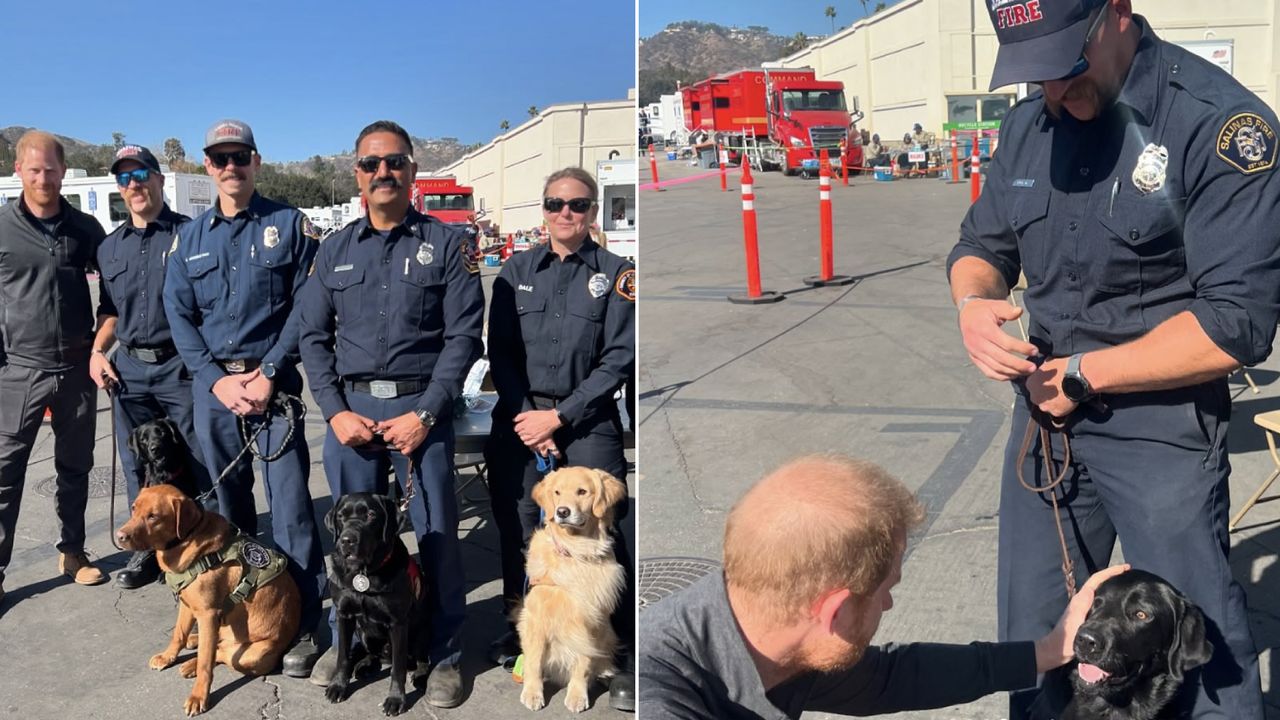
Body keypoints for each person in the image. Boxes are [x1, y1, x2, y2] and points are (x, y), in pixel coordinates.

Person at [946, 1, 1280, 718]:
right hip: (1046, 423)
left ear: (1117, 13)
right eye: (1033, 74)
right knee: (1035, 628)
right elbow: (982, 246)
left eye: (1066, 65)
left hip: (1161, 425)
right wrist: (972, 304)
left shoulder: (1219, 126)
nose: (1053, 93)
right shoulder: (1027, 124)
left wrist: (1082, 374)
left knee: (1197, 638)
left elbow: (1236, 324)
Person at [639, 455, 1129, 719]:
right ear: (832, 613)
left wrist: (1046, 651)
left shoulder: (764, 624)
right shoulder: (661, 693)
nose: (890, 602)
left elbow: (894, 677)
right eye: (885, 589)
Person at [298, 120, 483, 707]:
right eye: (372, 164)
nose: (384, 173)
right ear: (357, 173)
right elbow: (311, 338)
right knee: (349, 539)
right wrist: (333, 411)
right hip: (351, 414)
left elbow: (464, 337)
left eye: (395, 163)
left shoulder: (448, 246)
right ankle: (345, 643)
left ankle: (448, 653)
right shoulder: (334, 250)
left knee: (434, 536)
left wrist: (427, 414)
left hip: (418, 410)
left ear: (412, 171)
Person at [163, 119, 325, 677]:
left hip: (273, 389)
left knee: (292, 510)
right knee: (226, 516)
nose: (230, 166)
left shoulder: (290, 224)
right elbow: (179, 317)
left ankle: (304, 622)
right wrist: (216, 380)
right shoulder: (190, 239)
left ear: (255, 161)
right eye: (219, 158)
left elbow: (307, 308)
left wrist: (270, 371)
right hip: (215, 392)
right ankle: (238, 614)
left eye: (240, 156)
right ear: (207, 167)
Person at [485, 167, 636, 711]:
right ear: (543, 210)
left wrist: (560, 418)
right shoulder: (514, 271)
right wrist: (528, 417)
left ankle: (615, 652)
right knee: (522, 532)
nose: (565, 213)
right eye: (555, 204)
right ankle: (524, 632)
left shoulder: (618, 274)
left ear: (593, 211)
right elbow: (499, 350)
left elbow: (620, 357)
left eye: (577, 205)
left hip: (587, 420)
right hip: (521, 418)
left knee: (604, 532)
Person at [90, 145, 212, 590]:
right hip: (130, 373)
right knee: (137, 465)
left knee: (200, 460)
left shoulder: (193, 234)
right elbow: (109, 311)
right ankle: (145, 552)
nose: (134, 184)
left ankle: (208, 549)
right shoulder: (109, 248)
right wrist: (97, 351)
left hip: (181, 367)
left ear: (160, 178)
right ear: (119, 189)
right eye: (124, 178)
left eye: (141, 173)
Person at [0, 130, 109, 601]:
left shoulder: (86, 230)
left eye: (51, 169)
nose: (43, 177)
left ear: (64, 172)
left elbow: (114, 297)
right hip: (16, 370)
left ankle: (74, 551)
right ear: (18, 171)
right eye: (34, 169)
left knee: (75, 466)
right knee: (4, 473)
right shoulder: (2, 227)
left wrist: (100, 346)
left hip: (75, 371)